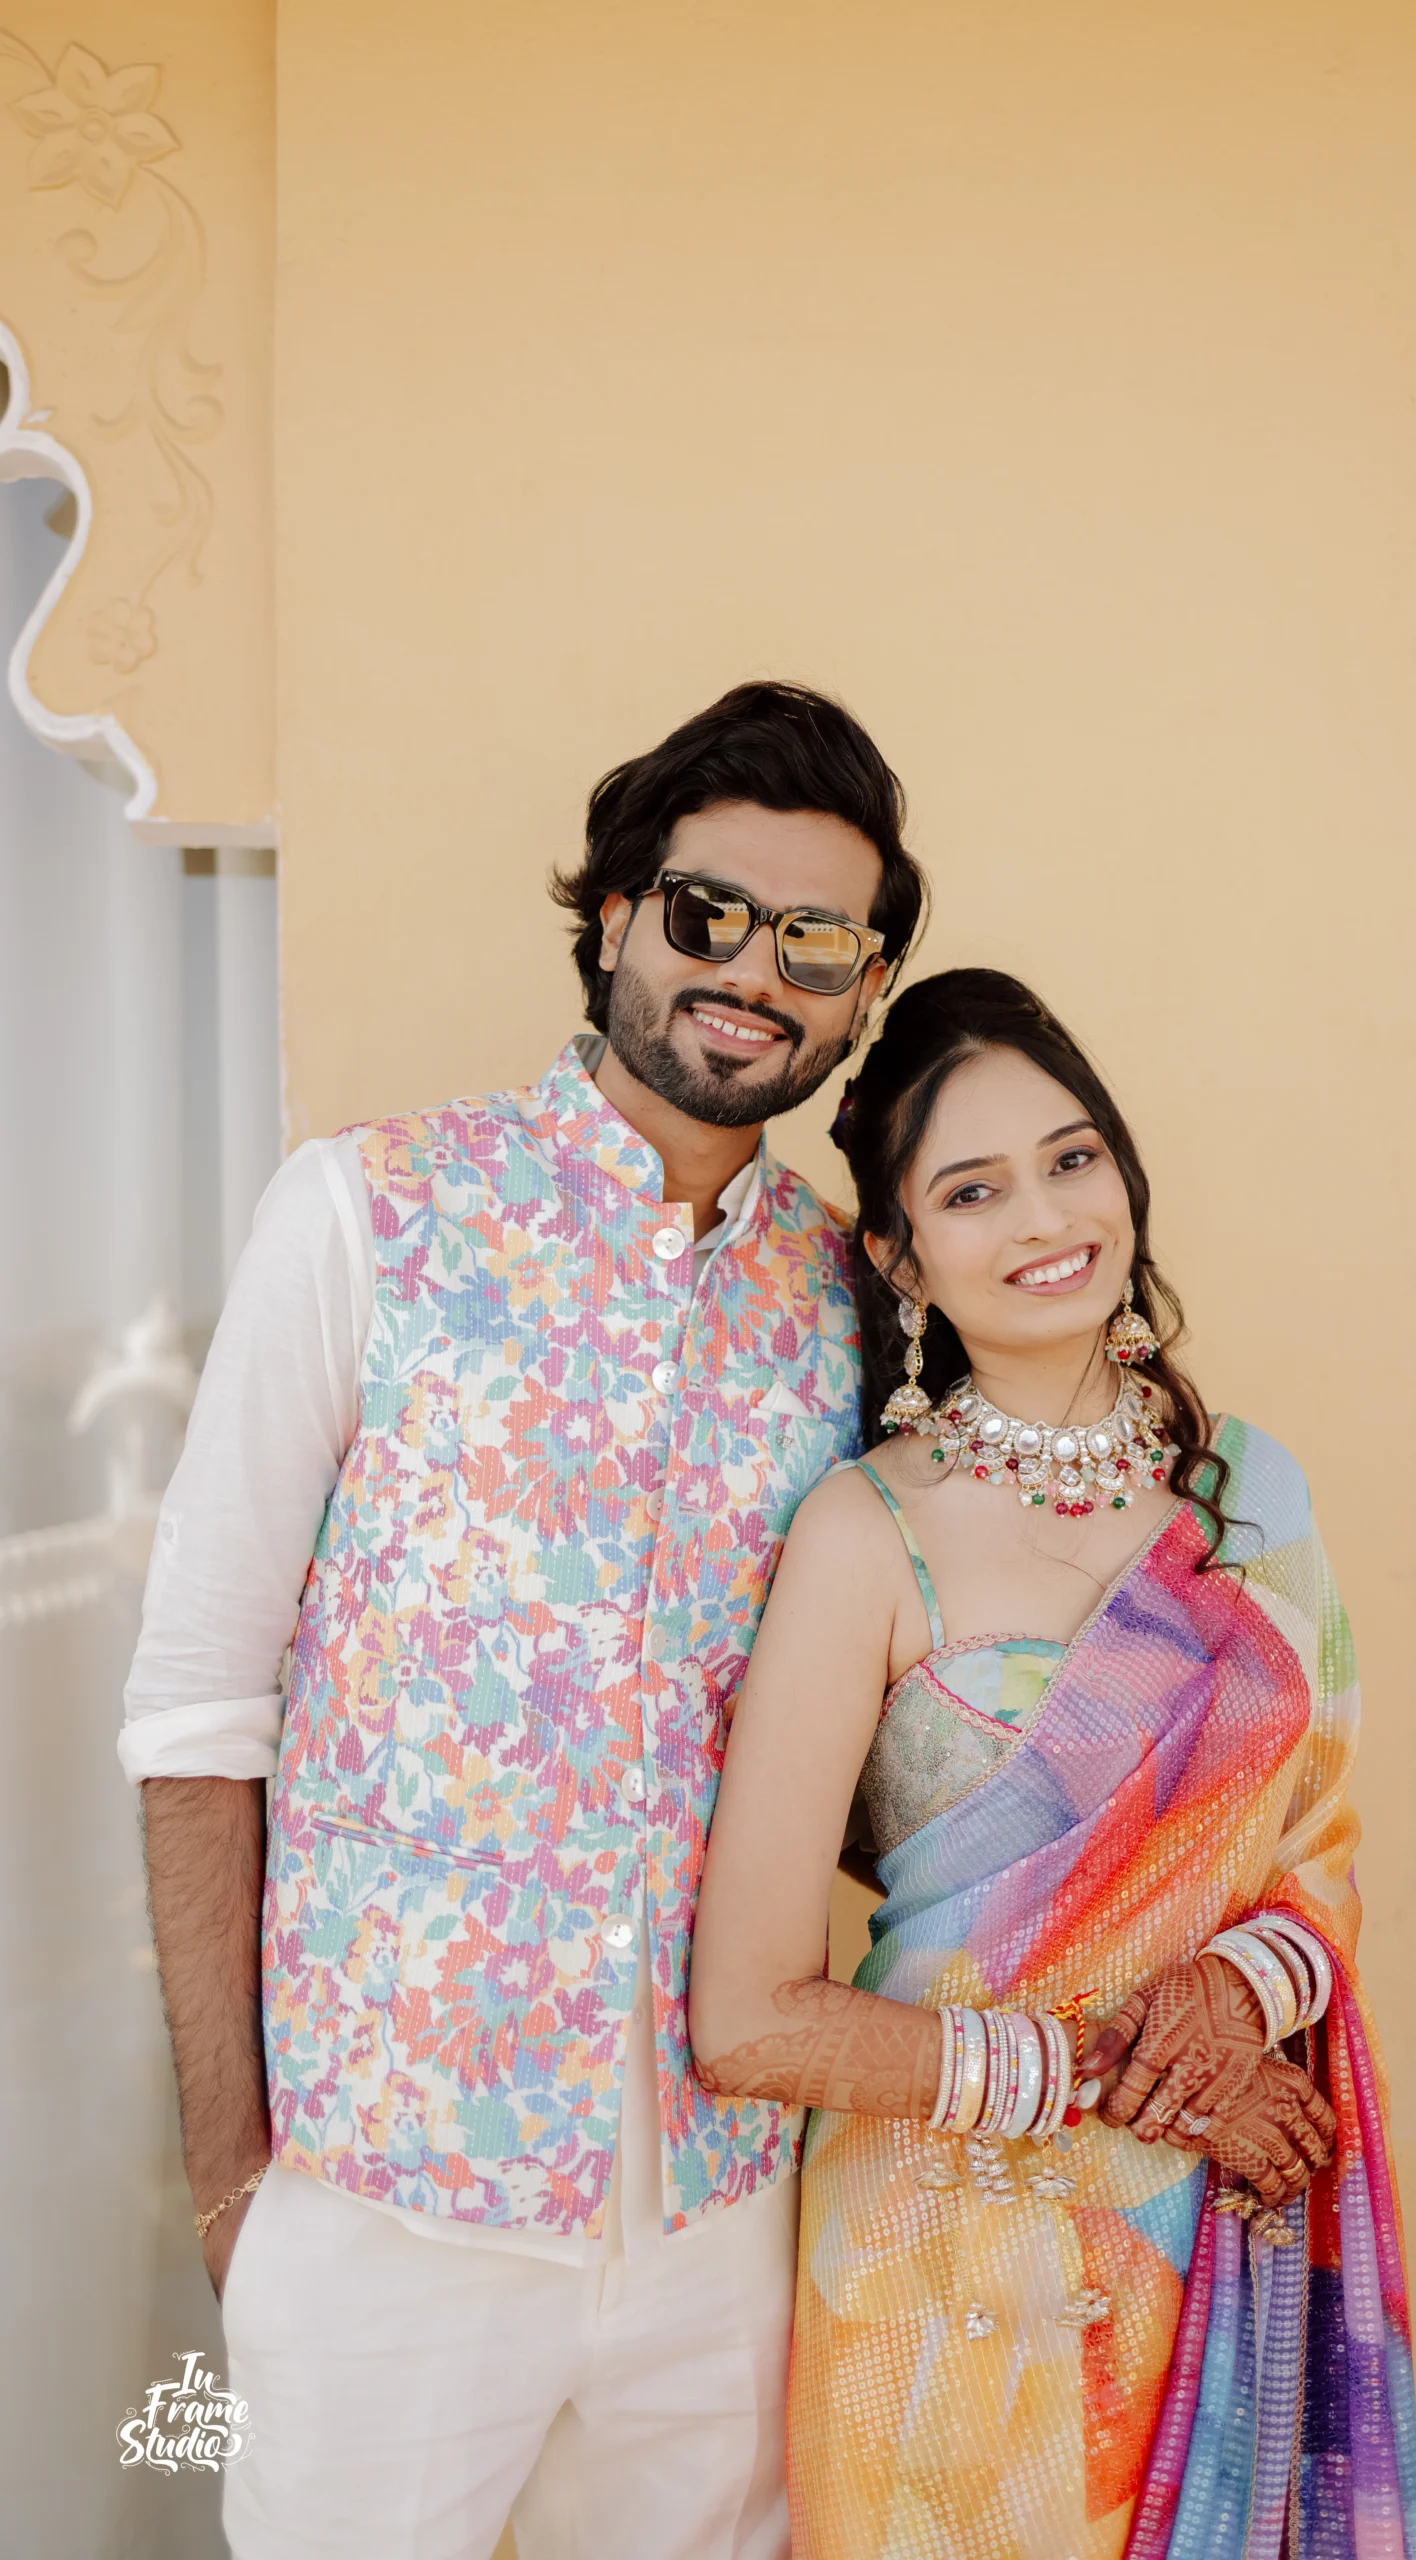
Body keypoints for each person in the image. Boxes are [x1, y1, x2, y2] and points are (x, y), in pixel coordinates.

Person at [120, 681, 928, 2560]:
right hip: (387, 2190)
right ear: (619, 914)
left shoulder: (857, 1306)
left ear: (866, 990)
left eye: (818, 942)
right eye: (708, 911)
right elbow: (198, 1705)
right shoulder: (365, 1214)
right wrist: (234, 2180)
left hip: (722, 2211)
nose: (755, 971)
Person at [690, 969, 1416, 2560]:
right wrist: (1137, 2077)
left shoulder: (1252, 1498)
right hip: (937, 2278)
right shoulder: (865, 1533)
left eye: (1072, 1158)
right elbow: (749, 2018)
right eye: (973, 1189)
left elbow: (1322, 1848)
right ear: (900, 1255)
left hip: (1212, 2223)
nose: (1044, 1216)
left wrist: (1231, 1999)